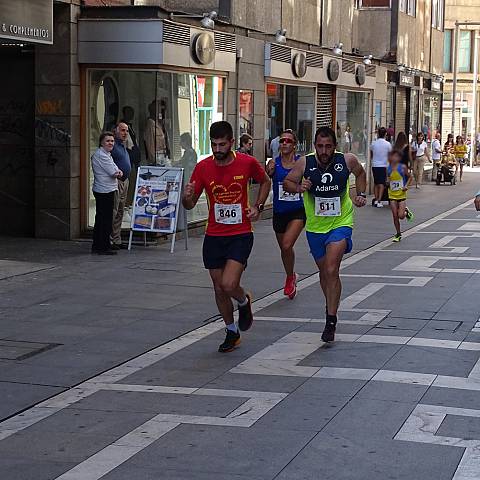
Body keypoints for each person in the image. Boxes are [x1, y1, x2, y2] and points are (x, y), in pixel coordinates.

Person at [182, 121, 271, 353]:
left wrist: (258, 206)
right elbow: (189, 204)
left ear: (232, 142)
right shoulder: (203, 168)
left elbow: (265, 181)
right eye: (214, 145)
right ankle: (232, 331)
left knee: (229, 283)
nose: (217, 149)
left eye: (222, 144)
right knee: (219, 288)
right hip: (214, 235)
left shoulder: (247, 162)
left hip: (240, 233)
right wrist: (186, 197)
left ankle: (243, 301)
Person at [283, 127, 367, 343]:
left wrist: (360, 194)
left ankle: (331, 319)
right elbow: (287, 183)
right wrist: (300, 187)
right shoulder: (305, 163)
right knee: (325, 273)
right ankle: (330, 303)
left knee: (331, 268)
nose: (324, 150)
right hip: (315, 227)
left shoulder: (346, 160)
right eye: (320, 146)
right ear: (314, 146)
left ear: (335, 146)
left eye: (328, 146)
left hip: (341, 222)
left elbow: (361, 173)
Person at [265, 129, 306, 299]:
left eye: (288, 141)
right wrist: (268, 172)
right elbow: (265, 182)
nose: (284, 144)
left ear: (294, 145)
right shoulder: (274, 163)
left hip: (297, 210)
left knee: (287, 244)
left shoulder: (301, 163)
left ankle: (290, 279)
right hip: (279, 212)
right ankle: (291, 275)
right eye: (282, 141)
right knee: (284, 249)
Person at [91, 132, 123, 255]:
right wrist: (117, 172)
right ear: (101, 143)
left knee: (103, 219)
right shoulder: (101, 155)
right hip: (104, 190)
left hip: (108, 189)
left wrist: (117, 171)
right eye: (108, 141)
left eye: (112, 141)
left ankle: (100, 245)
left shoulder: (107, 154)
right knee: (104, 220)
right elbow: (113, 172)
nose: (110, 143)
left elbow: (116, 169)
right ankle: (102, 246)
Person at [110, 123, 131, 249]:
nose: (125, 133)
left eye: (126, 131)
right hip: (116, 181)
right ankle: (110, 239)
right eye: (122, 130)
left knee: (120, 211)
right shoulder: (113, 145)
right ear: (116, 131)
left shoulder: (123, 145)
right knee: (114, 210)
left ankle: (117, 239)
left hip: (125, 181)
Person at [387, 150, 414, 242]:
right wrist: (387, 182)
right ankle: (398, 233)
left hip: (401, 194)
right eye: (392, 156)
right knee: (395, 215)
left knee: (401, 216)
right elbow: (387, 180)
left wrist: (406, 186)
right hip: (392, 194)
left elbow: (410, 177)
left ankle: (406, 212)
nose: (393, 158)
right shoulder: (388, 168)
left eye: (396, 156)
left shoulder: (402, 167)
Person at [121, 106, 141, 207]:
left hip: (133, 158)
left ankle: (129, 204)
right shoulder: (123, 126)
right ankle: (126, 205)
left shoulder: (130, 126)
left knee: (133, 181)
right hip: (128, 157)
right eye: (129, 112)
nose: (131, 115)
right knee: (129, 181)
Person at [370, 127, 392, 208]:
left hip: (375, 165)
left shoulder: (373, 143)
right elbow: (390, 156)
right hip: (384, 165)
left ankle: (376, 199)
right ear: (385, 134)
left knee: (376, 183)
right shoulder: (388, 144)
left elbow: (371, 154)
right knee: (382, 183)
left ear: (378, 133)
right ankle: (379, 200)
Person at [144, 100, 169, 165]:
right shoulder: (151, 123)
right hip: (157, 157)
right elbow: (150, 144)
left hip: (163, 156)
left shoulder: (160, 124)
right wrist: (153, 160)